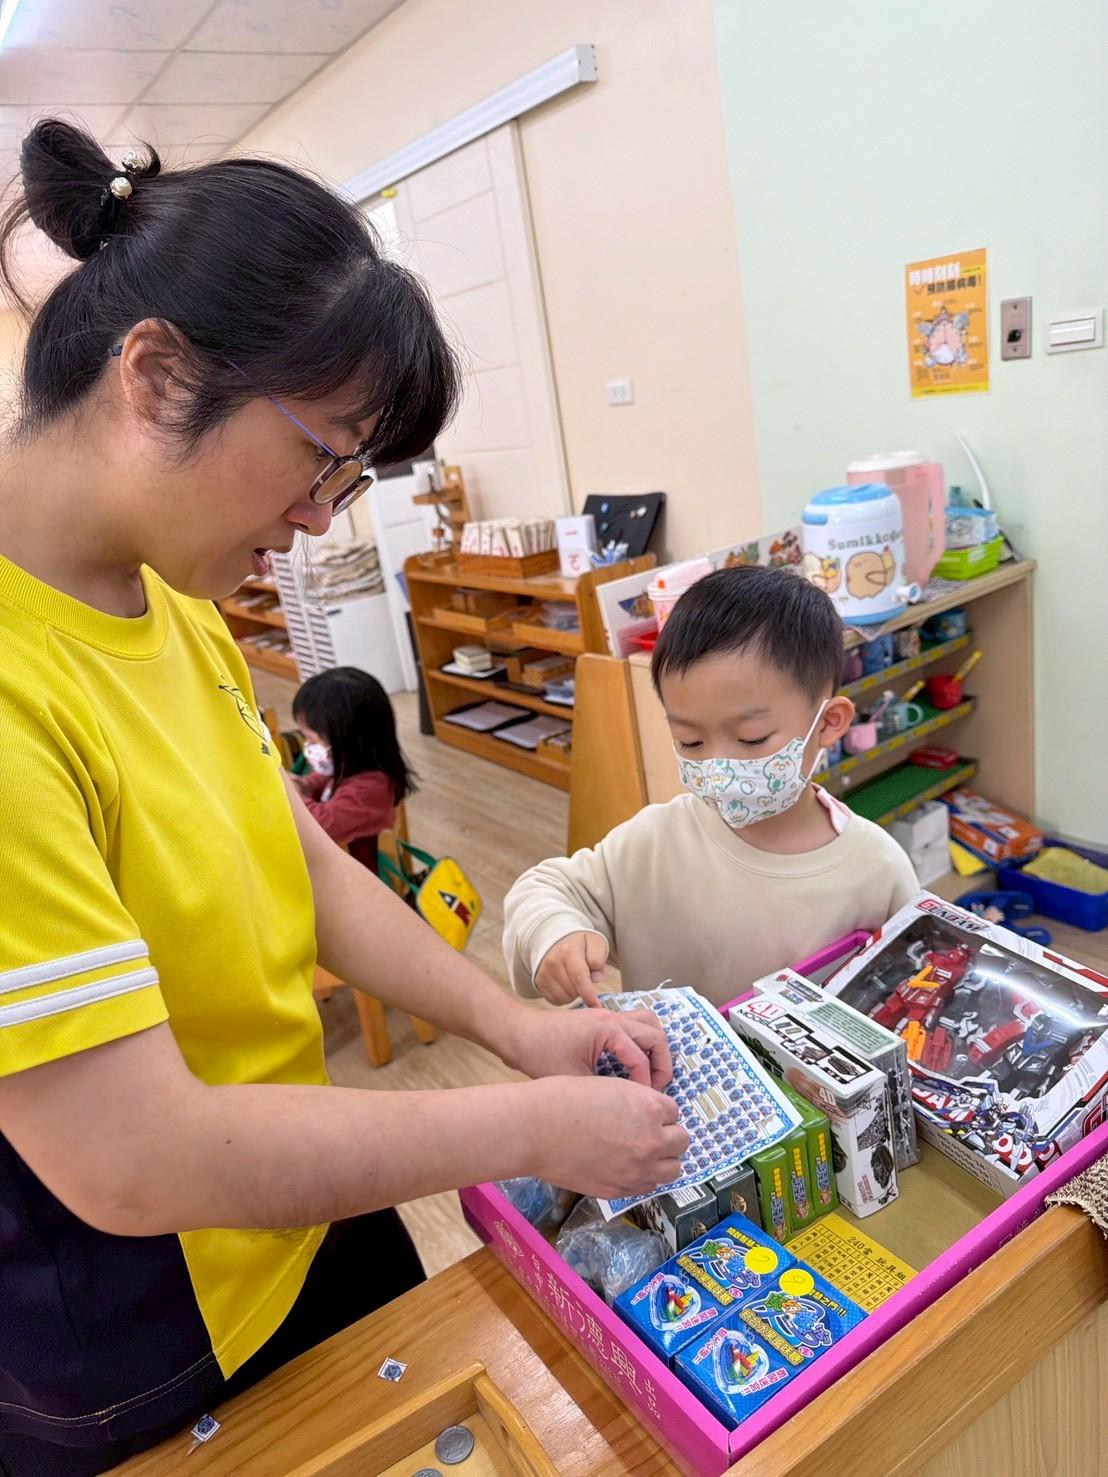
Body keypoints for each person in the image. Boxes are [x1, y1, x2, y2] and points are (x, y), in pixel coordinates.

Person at [0, 121, 687, 1476]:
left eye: (350, 479)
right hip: (154, 1317)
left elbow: (296, 859)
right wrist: (530, 1126)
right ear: (156, 377)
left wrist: (511, 1025)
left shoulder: (164, 592)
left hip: (309, 1182)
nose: (324, 518)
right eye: (323, 461)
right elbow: (132, 1156)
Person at [504, 565, 920, 1007]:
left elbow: (917, 990)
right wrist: (555, 934)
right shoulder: (655, 841)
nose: (718, 767)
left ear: (828, 723)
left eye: (751, 738)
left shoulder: (877, 870)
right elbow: (546, 888)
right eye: (691, 741)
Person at [292, 666, 413, 873]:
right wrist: (304, 785)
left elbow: (321, 826)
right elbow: (323, 779)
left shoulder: (368, 788)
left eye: (312, 739)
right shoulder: (349, 766)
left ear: (346, 740)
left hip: (358, 879)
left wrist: (294, 795)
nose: (308, 746)